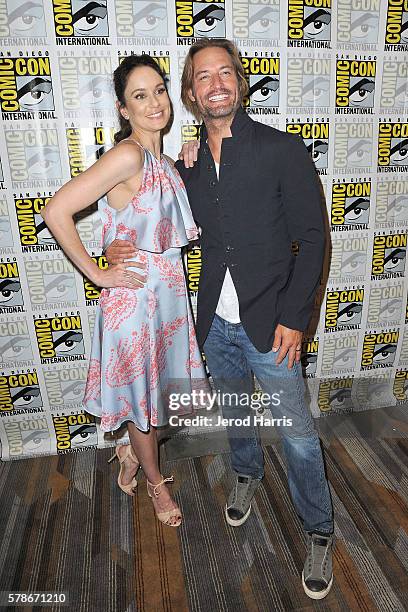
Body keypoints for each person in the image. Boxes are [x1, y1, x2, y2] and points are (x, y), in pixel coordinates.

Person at [105, 39, 334, 598]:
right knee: (237, 415)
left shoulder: (283, 150)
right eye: (202, 77)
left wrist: (295, 318)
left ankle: (320, 529)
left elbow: (312, 237)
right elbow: (138, 208)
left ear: (240, 83)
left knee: (299, 434)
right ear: (191, 92)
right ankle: (247, 476)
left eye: (224, 73)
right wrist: (112, 252)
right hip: (213, 324)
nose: (216, 84)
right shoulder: (184, 166)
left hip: (273, 322)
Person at [41, 54, 208, 528]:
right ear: (122, 108)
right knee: (144, 405)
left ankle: (132, 454)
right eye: (140, 95)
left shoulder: (162, 159)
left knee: (158, 401)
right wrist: (98, 273)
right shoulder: (128, 154)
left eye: (158, 90)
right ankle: (156, 484)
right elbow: (57, 211)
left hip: (169, 300)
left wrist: (190, 154)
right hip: (135, 303)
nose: (154, 102)